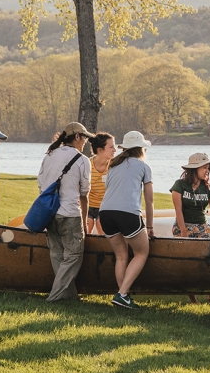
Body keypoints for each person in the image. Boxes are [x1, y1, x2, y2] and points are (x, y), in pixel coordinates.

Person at [98, 131, 155, 309]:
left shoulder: (113, 165)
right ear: (141, 148)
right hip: (128, 213)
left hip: (105, 213)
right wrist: (150, 226)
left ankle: (122, 296)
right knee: (141, 253)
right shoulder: (144, 166)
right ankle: (122, 294)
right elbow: (149, 200)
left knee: (121, 256)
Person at [38, 122, 92, 303]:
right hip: (69, 213)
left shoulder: (49, 156)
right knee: (74, 255)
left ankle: (69, 297)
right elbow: (84, 193)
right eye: (84, 137)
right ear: (77, 137)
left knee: (57, 254)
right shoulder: (82, 160)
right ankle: (54, 297)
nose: (85, 141)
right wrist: (84, 221)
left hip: (49, 212)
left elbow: (41, 183)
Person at [171, 153, 210, 240]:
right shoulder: (179, 185)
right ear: (194, 169)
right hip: (183, 225)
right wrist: (183, 232)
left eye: (208, 168)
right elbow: (178, 210)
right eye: (204, 168)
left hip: (202, 227)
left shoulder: (208, 188)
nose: (207, 171)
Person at [86, 132, 115, 235]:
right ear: (100, 150)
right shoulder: (87, 164)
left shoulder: (114, 166)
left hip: (105, 207)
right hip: (87, 206)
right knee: (86, 228)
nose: (114, 150)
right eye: (111, 147)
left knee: (101, 226)